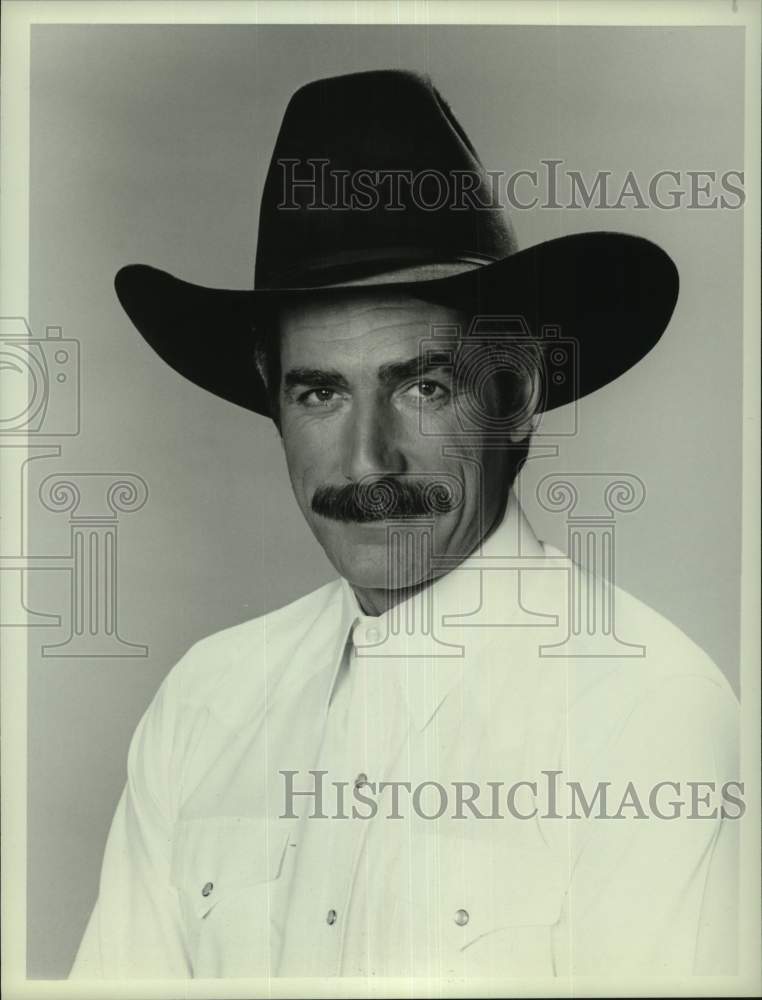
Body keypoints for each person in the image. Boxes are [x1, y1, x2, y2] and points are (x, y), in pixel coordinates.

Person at [70, 69, 738, 980]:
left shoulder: (647, 713)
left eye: (422, 386)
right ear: (273, 404)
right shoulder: (205, 703)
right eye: (320, 393)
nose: (367, 463)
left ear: (517, 391)